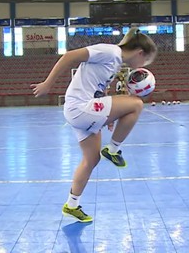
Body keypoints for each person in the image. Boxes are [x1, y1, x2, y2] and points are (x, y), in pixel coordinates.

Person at [30, 28, 158, 222]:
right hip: (81, 107)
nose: (143, 65)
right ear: (140, 52)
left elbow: (96, 88)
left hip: (84, 109)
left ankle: (71, 205)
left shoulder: (115, 63)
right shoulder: (110, 52)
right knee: (137, 104)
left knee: (91, 160)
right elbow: (69, 56)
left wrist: (108, 113)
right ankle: (114, 150)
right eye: (145, 60)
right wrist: (48, 83)